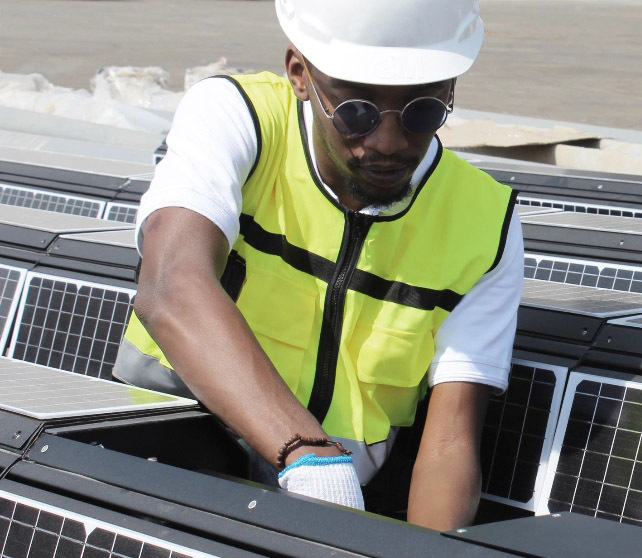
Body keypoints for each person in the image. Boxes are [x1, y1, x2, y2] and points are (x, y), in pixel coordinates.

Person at [112, 0, 521, 531]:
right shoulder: (241, 119)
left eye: (422, 111)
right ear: (300, 74)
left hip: (334, 513)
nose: (388, 142)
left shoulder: (484, 222)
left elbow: (449, 444)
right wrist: (307, 454)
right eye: (356, 111)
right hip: (166, 473)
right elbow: (172, 286)